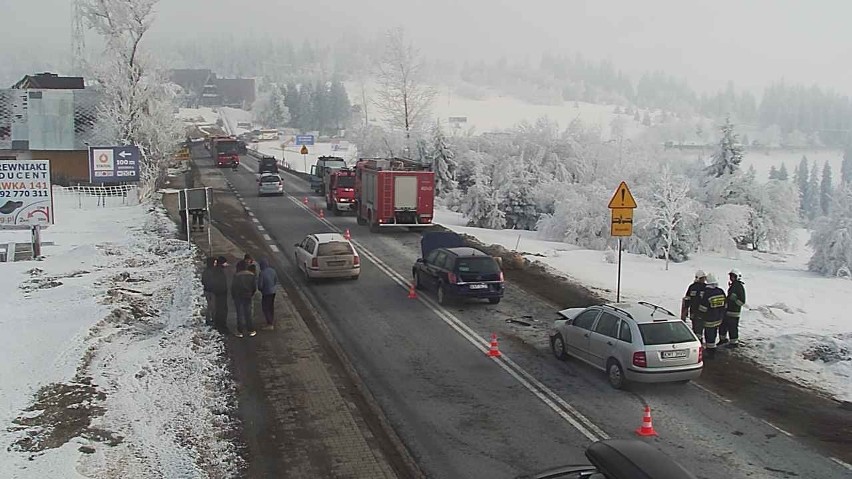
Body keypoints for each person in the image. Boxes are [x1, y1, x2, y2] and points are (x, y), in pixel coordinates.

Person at [698, 274, 727, 359]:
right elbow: (725, 305)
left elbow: (703, 308)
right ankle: (713, 347)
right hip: (718, 318)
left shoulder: (707, 293)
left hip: (709, 319)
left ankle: (711, 352)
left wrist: (699, 316)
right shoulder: (721, 291)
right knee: (713, 333)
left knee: (709, 334)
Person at [720, 269, 747, 348]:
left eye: (732, 276)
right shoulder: (733, 285)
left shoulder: (739, 287)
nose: (731, 278)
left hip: (734, 312)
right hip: (727, 311)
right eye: (730, 276)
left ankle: (734, 342)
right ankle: (723, 339)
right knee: (723, 326)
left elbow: (742, 302)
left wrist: (735, 300)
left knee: (732, 328)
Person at [231, 261, 257, 337]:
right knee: (248, 313)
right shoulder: (252, 275)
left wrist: (234, 296)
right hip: (248, 296)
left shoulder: (237, 276)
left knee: (240, 313)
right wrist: (251, 294)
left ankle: (240, 330)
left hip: (239, 297)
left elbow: (233, 287)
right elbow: (254, 287)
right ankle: (250, 329)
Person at [681, 270, 707, 340]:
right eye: (702, 278)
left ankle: (699, 339)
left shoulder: (706, 287)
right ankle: (698, 340)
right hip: (694, 311)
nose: (704, 280)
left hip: (702, 312)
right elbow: (687, 298)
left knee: (700, 327)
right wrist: (685, 310)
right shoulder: (692, 287)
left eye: (704, 278)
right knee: (695, 327)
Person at [257, 258, 279, 331]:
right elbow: (276, 280)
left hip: (266, 293)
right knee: (271, 306)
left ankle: (269, 323)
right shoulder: (273, 270)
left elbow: (260, 285)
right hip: (273, 292)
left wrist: (261, 290)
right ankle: (271, 320)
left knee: (265, 308)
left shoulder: (262, 273)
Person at [210, 256, 230, 334]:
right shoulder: (219, 271)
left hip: (219, 293)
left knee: (220, 309)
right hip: (221, 293)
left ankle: (219, 324)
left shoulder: (216, 270)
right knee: (222, 310)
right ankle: (222, 325)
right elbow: (220, 283)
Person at [201, 257, 217, 326]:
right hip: (211, 291)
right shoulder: (211, 271)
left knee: (210, 306)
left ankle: (210, 319)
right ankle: (211, 319)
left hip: (208, 290)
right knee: (212, 306)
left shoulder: (206, 271)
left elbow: (203, 281)